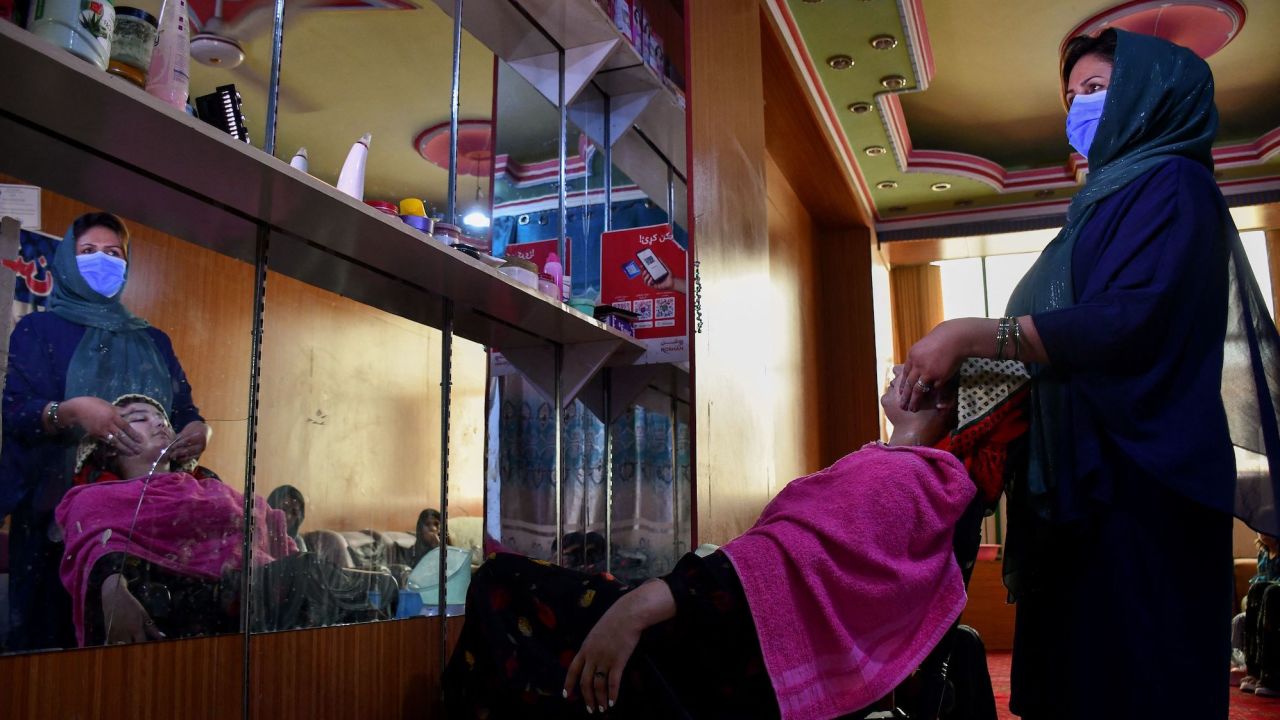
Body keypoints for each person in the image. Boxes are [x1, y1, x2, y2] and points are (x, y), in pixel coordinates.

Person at [897, 29, 1280, 719]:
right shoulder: (1095, 208)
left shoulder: (1175, 184)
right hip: (1079, 491)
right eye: (1071, 96)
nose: (1078, 108)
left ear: (1149, 95)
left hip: (1140, 489)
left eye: (1098, 90)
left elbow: (1130, 320)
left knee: (1136, 686)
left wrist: (974, 334)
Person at [444, 362, 1027, 719]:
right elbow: (793, 554)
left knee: (500, 581)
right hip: (730, 620)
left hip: (734, 652)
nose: (898, 367)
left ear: (942, 398)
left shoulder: (907, 473)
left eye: (915, 366)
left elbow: (789, 557)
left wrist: (643, 606)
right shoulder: (905, 470)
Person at [0, 212, 209, 651]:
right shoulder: (37, 331)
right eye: (88, 252)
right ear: (67, 262)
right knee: (50, 657)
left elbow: (185, 409)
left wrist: (198, 430)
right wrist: (72, 411)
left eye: (113, 254)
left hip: (149, 524)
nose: (102, 261)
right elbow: (18, 414)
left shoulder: (154, 341)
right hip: (53, 523)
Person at [56, 395, 291, 646]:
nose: (160, 424)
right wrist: (113, 589)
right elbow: (99, 551)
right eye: (140, 418)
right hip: (173, 612)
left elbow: (265, 526)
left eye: (163, 420)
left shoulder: (210, 489)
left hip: (250, 599)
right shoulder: (94, 498)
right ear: (110, 443)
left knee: (320, 560)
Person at [1239, 534, 1280, 697]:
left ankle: (1272, 676)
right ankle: (1255, 671)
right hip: (1270, 591)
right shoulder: (1263, 552)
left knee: (1271, 593)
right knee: (1256, 590)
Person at [267, 485, 308, 553]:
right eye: (284, 509)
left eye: (294, 513)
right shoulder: (257, 534)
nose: (288, 516)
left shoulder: (297, 542)